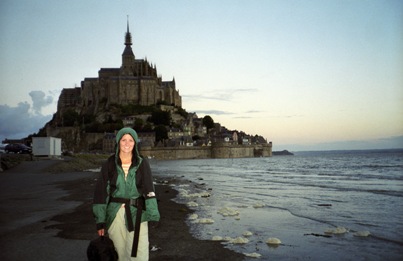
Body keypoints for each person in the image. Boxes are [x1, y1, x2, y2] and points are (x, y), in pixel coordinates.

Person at [92, 127, 160, 260]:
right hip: (115, 214)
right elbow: (100, 193)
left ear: (135, 143)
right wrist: (100, 221)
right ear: (118, 142)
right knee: (118, 255)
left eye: (130, 140)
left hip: (138, 213)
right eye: (124, 140)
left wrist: (153, 214)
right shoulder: (109, 164)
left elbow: (149, 190)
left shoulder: (142, 163)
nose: (127, 143)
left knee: (140, 256)